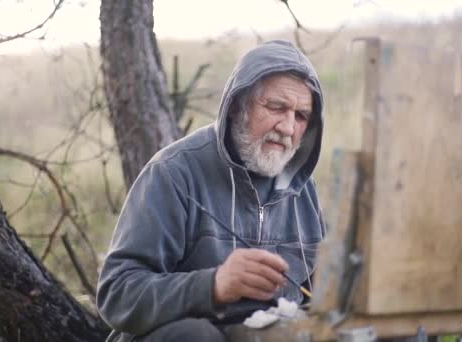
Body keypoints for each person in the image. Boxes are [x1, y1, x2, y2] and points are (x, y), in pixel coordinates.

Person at [97, 40, 326, 342]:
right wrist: (214, 286)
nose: (287, 127)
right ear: (236, 106)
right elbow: (117, 295)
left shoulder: (302, 188)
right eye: (276, 107)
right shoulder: (174, 172)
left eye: (300, 116)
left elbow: (315, 297)